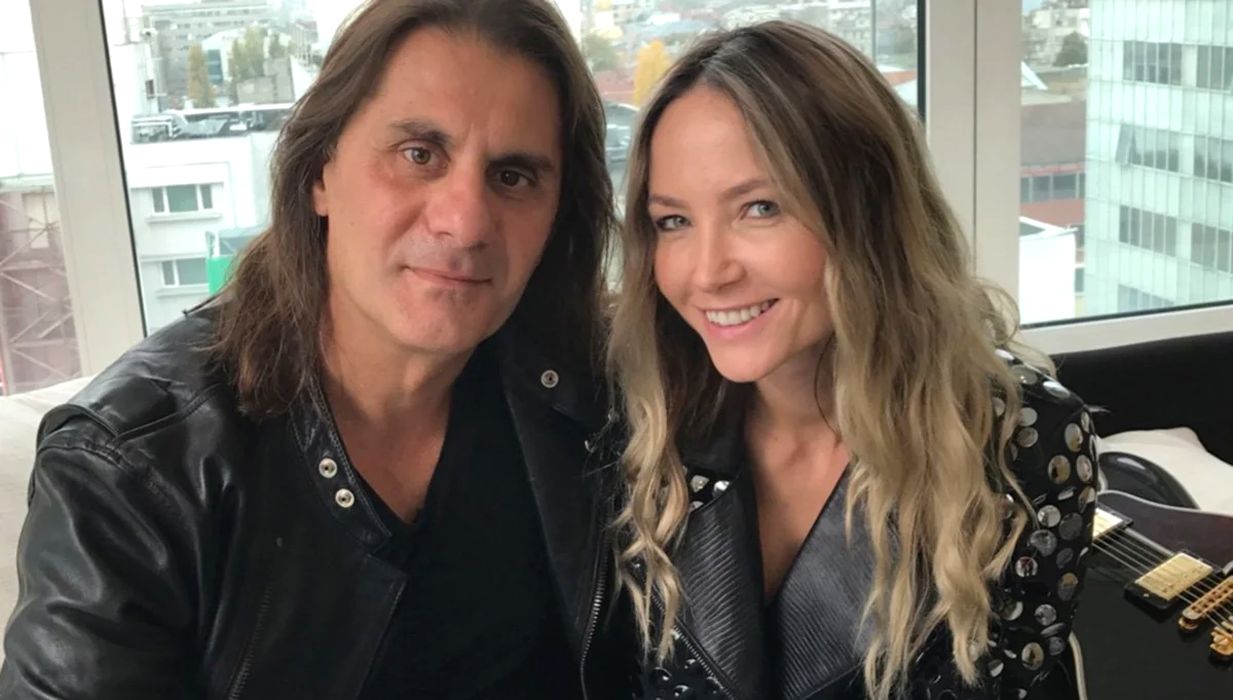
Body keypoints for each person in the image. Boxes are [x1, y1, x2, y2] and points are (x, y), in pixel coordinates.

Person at [0, 1, 618, 697]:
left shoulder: (583, 402)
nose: (466, 221)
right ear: (320, 171)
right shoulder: (133, 470)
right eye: (419, 155)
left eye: (512, 177)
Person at [599, 21, 1096, 700]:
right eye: (673, 221)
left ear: (868, 214)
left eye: (759, 208)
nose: (707, 272)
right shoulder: (637, 412)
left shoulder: (1019, 444)